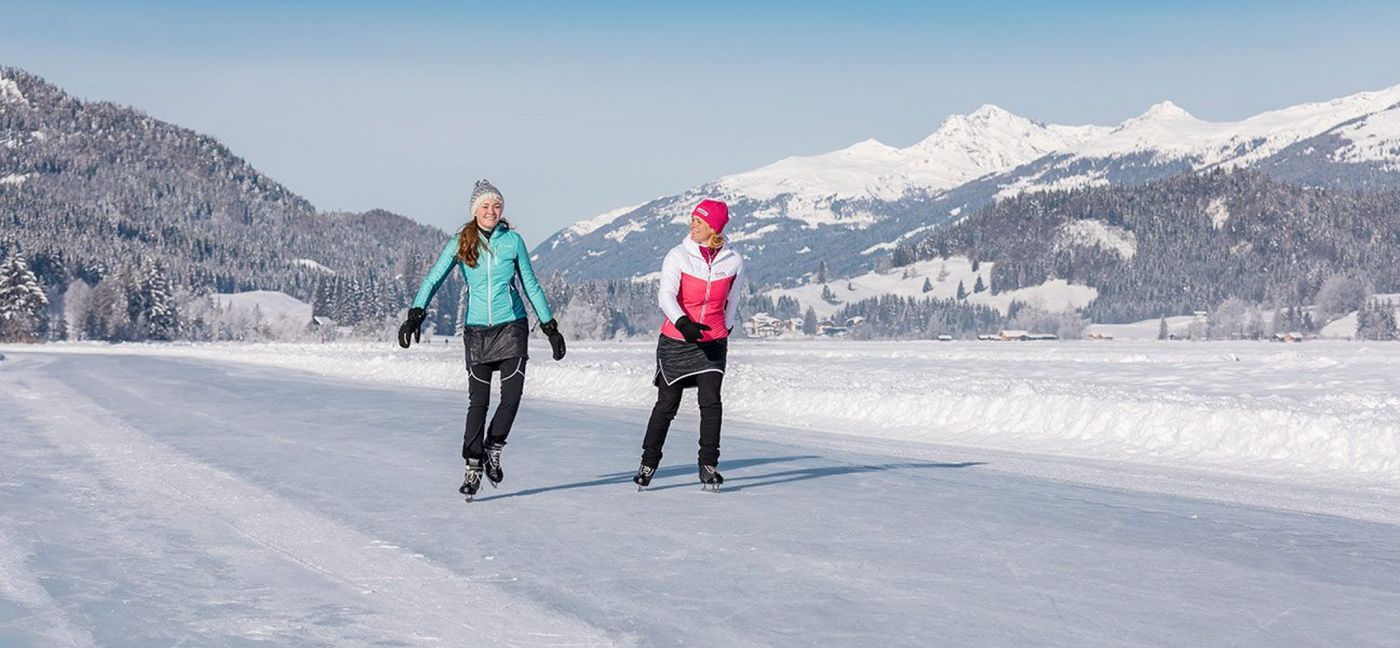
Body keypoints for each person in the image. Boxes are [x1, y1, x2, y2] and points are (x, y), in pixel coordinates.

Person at [398, 179, 567, 499]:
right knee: (479, 401)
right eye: (485, 206)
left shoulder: (513, 241)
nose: (491, 211)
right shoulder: (461, 241)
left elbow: (530, 283)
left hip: (512, 327)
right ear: (475, 211)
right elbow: (434, 277)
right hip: (476, 331)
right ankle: (473, 463)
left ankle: (494, 446)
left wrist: (550, 326)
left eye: (496, 205)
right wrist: (415, 313)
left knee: (512, 397)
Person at [633, 198, 745, 491]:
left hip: (713, 340)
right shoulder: (678, 255)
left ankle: (708, 465)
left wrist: (726, 328)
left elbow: (733, 300)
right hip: (676, 340)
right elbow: (665, 296)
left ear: (713, 227)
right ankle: (648, 462)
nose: (692, 226)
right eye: (693, 220)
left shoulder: (733, 260)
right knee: (666, 404)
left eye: (699, 222)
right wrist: (683, 322)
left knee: (711, 403)